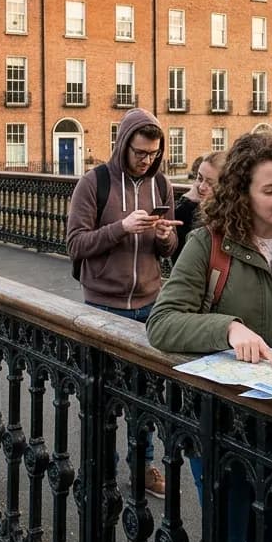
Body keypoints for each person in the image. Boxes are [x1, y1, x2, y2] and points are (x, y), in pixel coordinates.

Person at [147, 130, 272, 542]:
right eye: (270, 189)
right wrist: (228, 328)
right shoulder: (208, 244)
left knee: (269, 540)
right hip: (222, 422)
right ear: (242, 193)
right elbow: (162, 323)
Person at [66, 108, 178, 498]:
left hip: (149, 303)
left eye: (153, 154)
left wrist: (163, 235)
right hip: (103, 303)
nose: (146, 161)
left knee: (144, 395)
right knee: (102, 394)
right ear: (123, 145)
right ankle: (100, 466)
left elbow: (169, 249)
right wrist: (121, 228)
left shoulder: (161, 184)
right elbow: (76, 243)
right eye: (139, 153)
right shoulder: (93, 183)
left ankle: (142, 467)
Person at [172, 151, 224, 264]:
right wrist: (187, 203)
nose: (201, 187)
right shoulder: (188, 209)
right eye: (200, 179)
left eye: (210, 183)